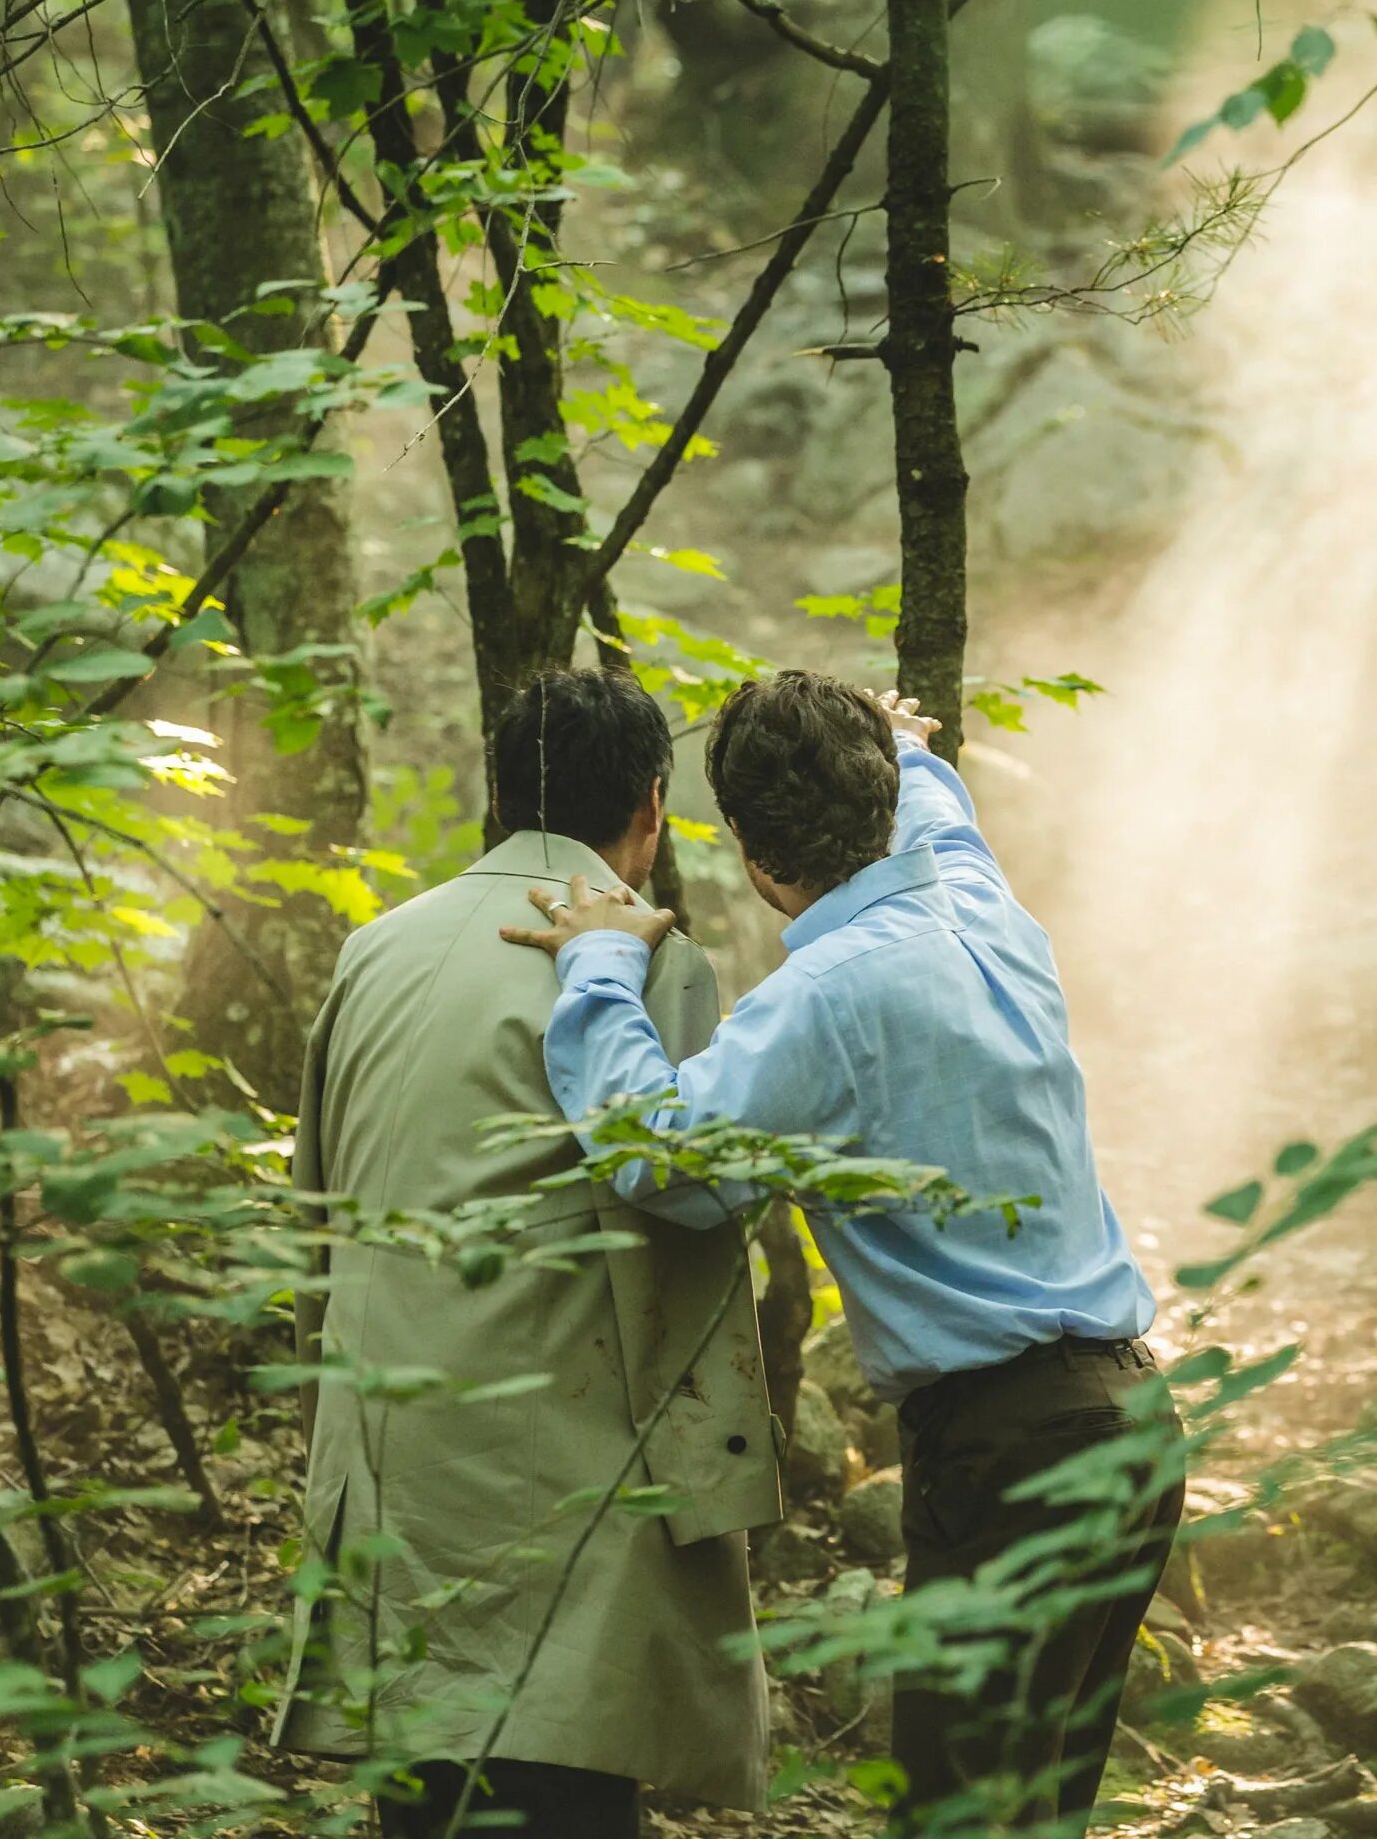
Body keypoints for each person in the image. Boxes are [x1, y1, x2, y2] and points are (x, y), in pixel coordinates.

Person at [501, 670, 1178, 1828]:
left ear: (756, 855)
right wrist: (902, 742)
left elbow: (661, 1160)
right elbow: (937, 809)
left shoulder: (823, 997)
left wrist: (601, 962)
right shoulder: (980, 901)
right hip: (1133, 1426)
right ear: (884, 793)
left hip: (1012, 1456)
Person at [279, 668, 782, 1837]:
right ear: (653, 804)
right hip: (566, 1481)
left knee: (426, 1799)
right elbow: (690, 1209)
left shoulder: (374, 949)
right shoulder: (650, 958)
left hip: (389, 1467)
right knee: (562, 1787)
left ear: (498, 795)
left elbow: (316, 1217)